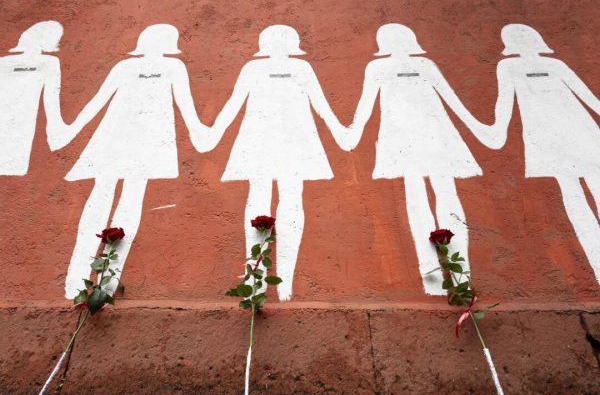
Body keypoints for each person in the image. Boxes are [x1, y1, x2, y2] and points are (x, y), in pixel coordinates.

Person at [62, 24, 210, 298]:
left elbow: (184, 104)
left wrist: (198, 131)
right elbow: (99, 101)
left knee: (120, 195)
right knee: (112, 195)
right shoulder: (143, 67)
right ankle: (86, 281)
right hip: (122, 136)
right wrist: (71, 130)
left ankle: (97, 282)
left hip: (141, 139)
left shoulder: (163, 67)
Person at [211, 25, 349, 300]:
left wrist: (341, 133)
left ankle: (277, 285)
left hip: (289, 140)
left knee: (283, 199)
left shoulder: (296, 69)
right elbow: (234, 104)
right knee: (268, 198)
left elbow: (320, 104)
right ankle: (260, 281)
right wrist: (213, 133)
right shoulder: (261, 69)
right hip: (266, 140)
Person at [349, 24, 486, 295]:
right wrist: (351, 134)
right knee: (419, 199)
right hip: (403, 139)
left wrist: (478, 128)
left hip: (435, 136)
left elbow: (451, 99)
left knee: (441, 197)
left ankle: (459, 278)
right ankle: (433, 278)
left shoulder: (422, 65)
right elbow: (365, 105)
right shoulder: (379, 68)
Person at [485, 24, 600, 282]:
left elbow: (589, 98)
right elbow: (504, 101)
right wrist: (496, 131)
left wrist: (495, 131)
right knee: (572, 194)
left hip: (581, 131)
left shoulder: (555, 65)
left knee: (591, 189)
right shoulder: (508, 67)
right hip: (546, 137)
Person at [0, 20, 68, 175]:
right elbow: (51, 103)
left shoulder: (3, 62)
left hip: (19, 124)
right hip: (21, 124)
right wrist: (57, 130)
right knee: (11, 166)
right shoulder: (49, 63)